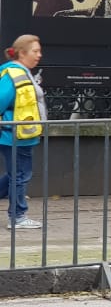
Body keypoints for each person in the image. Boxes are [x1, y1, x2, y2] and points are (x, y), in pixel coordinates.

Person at [0, 34, 47, 229]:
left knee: (15, 175)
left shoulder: (20, 72)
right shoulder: (15, 73)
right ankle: (17, 217)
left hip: (20, 135)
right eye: (35, 51)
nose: (39, 55)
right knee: (20, 175)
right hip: (16, 135)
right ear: (21, 53)